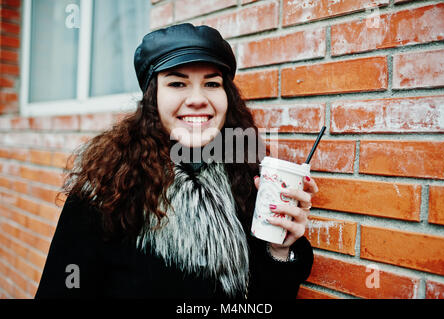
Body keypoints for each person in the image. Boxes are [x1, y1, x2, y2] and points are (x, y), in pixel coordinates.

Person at [35, 23, 318, 299]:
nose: (197, 99)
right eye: (177, 83)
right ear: (152, 98)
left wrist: (279, 251)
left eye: (211, 83)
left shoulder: (247, 181)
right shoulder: (107, 189)